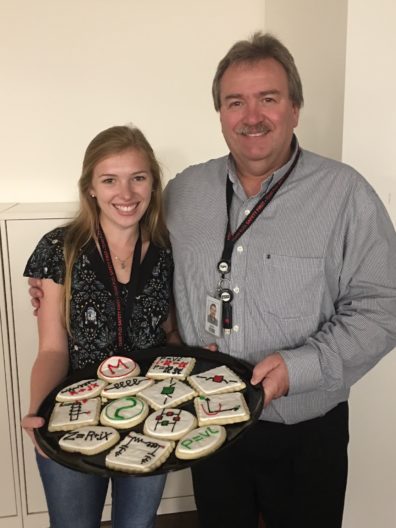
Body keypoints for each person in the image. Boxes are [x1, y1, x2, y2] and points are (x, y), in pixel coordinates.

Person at [28, 33, 396, 528]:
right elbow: (133, 254)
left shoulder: (346, 194)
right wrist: (58, 280)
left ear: (295, 108)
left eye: (269, 98)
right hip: (205, 418)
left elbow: (383, 307)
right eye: (234, 102)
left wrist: (299, 367)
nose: (252, 116)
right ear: (219, 113)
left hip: (304, 424)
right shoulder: (184, 192)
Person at [22, 125, 180, 528]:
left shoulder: (166, 252)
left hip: (149, 421)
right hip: (75, 418)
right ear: (90, 187)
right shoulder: (61, 249)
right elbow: (52, 350)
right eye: (110, 180)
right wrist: (40, 416)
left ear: (153, 184)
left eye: (138, 178)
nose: (125, 195)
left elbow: (171, 336)